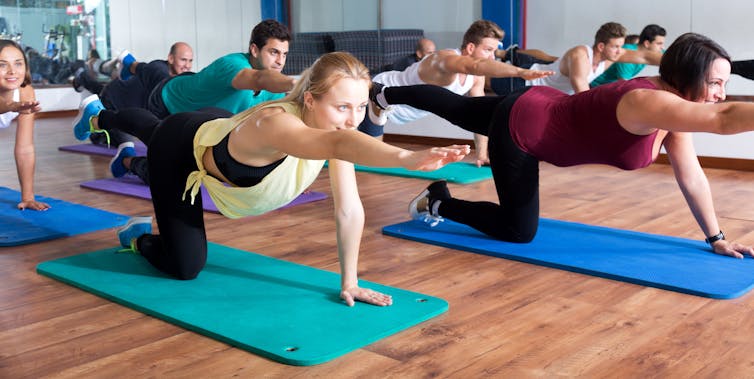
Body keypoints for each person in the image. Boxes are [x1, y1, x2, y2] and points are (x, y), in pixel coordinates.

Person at [95, 52, 469, 307]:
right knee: (184, 266)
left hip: (217, 125)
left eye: (359, 106)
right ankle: (106, 136)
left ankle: (109, 128)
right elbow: (341, 139)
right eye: (341, 107)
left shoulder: (334, 132)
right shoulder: (276, 123)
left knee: (155, 127)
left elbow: (349, 209)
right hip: (180, 150)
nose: (353, 119)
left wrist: (349, 282)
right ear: (309, 100)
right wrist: (407, 157)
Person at [371, 33, 754, 259]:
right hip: (525, 131)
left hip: (535, 107)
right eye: (715, 83)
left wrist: (716, 238)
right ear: (686, 77)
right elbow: (723, 121)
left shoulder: (674, 114)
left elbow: (692, 177)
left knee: (458, 107)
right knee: (518, 231)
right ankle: (437, 201)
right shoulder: (648, 101)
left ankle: (382, 94)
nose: (721, 95)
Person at [362, 20, 553, 167]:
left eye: (494, 51)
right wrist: (520, 72)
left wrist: (482, 154)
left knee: (365, 154)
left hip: (394, 111)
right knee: (368, 158)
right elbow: (476, 64)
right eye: (488, 50)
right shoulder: (444, 60)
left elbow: (479, 116)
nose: (492, 57)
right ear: (470, 48)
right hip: (376, 94)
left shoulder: (475, 79)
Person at [144, 18, 295, 119]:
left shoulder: (276, 88)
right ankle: (129, 64)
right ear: (254, 50)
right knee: (150, 70)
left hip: (198, 117)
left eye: (284, 54)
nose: (280, 62)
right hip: (167, 101)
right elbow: (258, 79)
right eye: (274, 52)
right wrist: (295, 84)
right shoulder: (233, 64)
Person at [491, 21, 662, 96]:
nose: (620, 51)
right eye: (616, 46)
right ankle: (489, 53)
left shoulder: (611, 56)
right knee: (484, 83)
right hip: (526, 83)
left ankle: (501, 55)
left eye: (621, 46)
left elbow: (646, 57)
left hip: (541, 85)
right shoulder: (581, 56)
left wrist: (683, 61)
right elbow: (583, 96)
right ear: (601, 46)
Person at [0, 39, 48, 210]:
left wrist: (28, 197)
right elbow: (2, 106)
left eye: (18, 64)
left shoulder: (25, 91)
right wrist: (13, 106)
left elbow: (25, 148)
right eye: (2, 65)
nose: (12, 71)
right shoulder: (15, 103)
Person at [590, 24, 666, 87]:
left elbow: (671, 56)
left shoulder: (658, 52)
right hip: (595, 87)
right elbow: (623, 85)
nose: (662, 47)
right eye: (659, 44)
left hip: (609, 87)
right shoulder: (627, 51)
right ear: (647, 43)